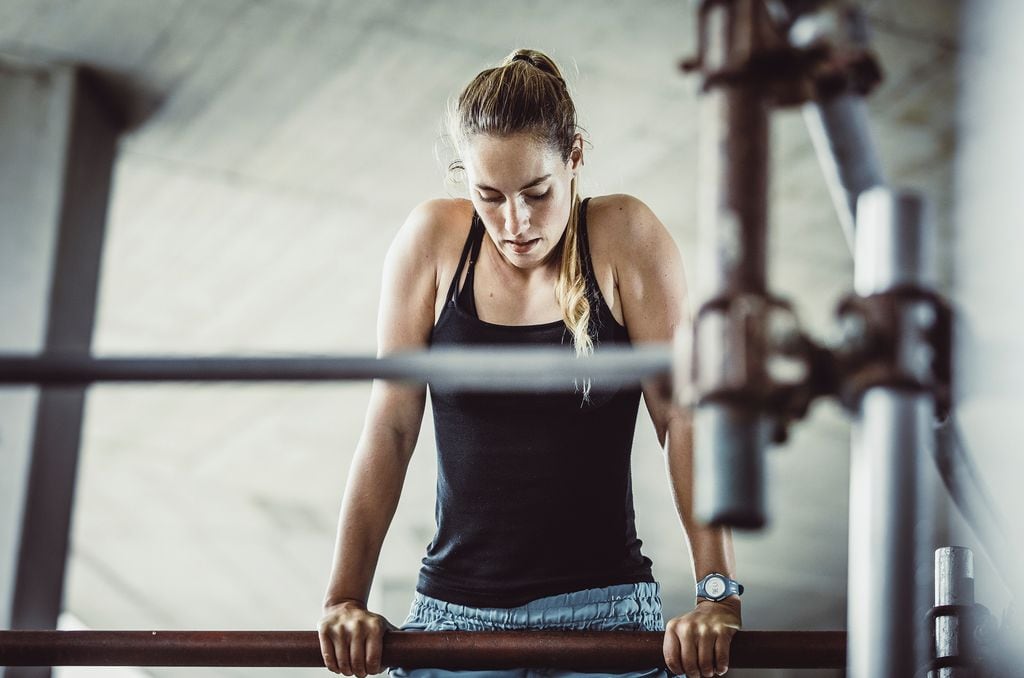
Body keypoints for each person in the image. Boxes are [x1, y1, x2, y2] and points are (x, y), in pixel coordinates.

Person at [317, 48, 742, 678]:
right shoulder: (433, 242)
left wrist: (718, 595)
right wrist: (344, 598)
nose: (513, 223)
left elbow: (682, 419)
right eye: (488, 195)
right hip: (453, 620)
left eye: (535, 193)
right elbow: (391, 424)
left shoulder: (624, 235)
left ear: (574, 156)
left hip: (606, 614)